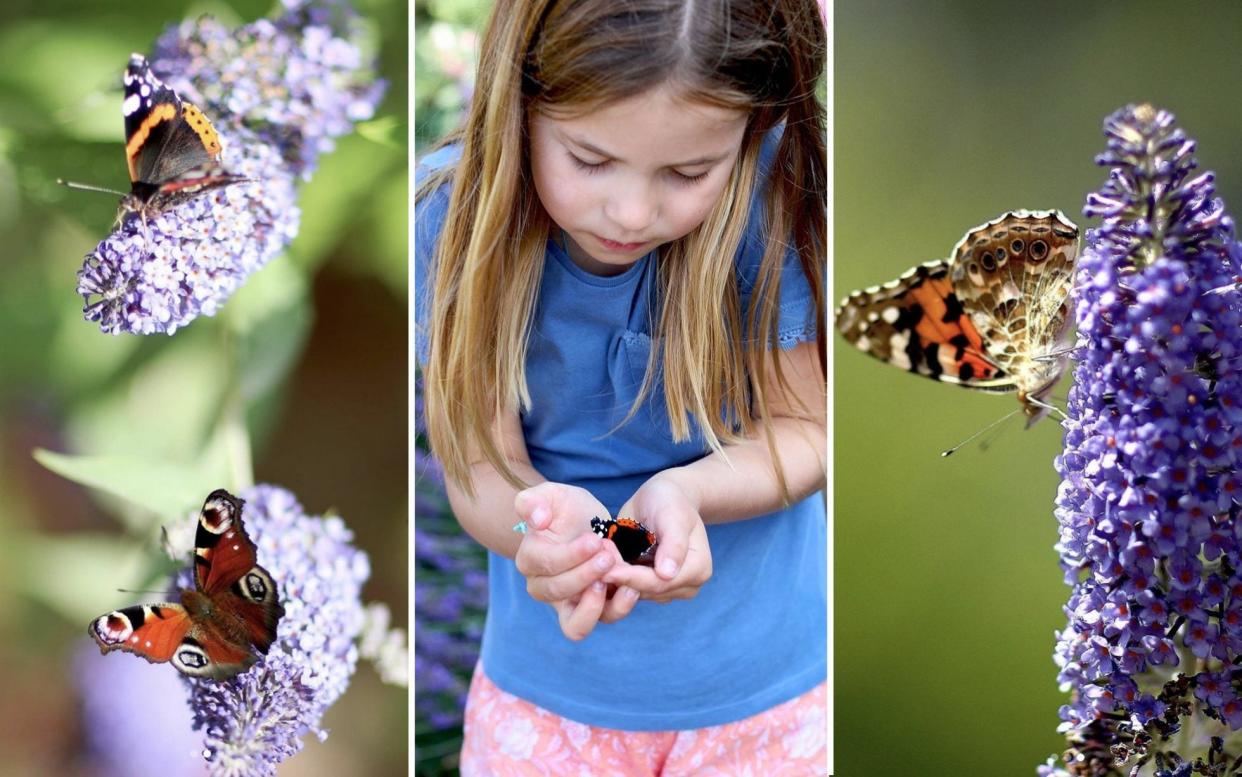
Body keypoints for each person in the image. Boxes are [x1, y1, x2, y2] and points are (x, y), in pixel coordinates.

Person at [416, 0, 827, 772]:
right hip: (545, 711)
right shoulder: (447, 219)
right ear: (521, 103)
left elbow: (806, 430)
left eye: (687, 172)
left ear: (752, 131)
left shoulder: (772, 202)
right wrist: (538, 527)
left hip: (768, 707)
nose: (632, 211)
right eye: (590, 160)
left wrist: (692, 493)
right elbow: (479, 468)